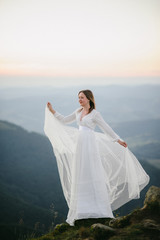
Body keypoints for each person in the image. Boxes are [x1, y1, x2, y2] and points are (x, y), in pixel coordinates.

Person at [44, 89, 150, 226]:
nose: (79, 100)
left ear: (89, 99)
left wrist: (118, 140)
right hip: (80, 147)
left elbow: (106, 128)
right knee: (81, 174)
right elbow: (64, 120)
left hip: (90, 146)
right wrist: (52, 111)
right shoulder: (78, 111)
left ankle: (99, 210)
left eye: (82, 97)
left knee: (92, 173)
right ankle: (82, 211)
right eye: (78, 98)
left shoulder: (95, 114)